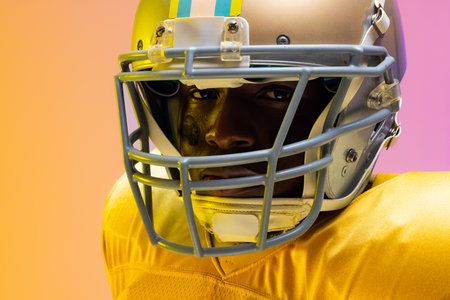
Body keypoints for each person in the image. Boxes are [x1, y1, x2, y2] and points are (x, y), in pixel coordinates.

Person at [102, 0, 450, 298]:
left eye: (276, 93)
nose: (222, 134)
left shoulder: (429, 251)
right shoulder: (132, 226)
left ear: (366, 97)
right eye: (201, 94)